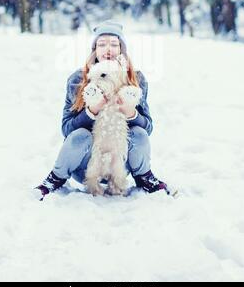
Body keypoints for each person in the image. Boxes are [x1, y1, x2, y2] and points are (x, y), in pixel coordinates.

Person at [35, 20, 170, 200]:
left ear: (122, 50)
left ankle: (144, 176)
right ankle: (56, 178)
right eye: (102, 44)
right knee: (79, 135)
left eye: (114, 44)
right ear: (94, 50)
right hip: (86, 163)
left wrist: (131, 113)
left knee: (139, 133)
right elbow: (66, 129)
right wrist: (92, 111)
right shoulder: (78, 79)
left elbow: (148, 128)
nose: (108, 49)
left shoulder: (136, 79)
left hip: (121, 162)